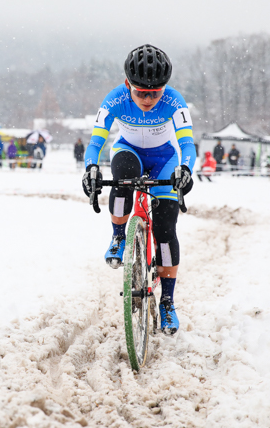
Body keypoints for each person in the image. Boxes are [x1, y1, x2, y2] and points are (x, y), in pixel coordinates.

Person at [81, 44, 195, 335]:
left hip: (164, 159)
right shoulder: (115, 99)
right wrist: (90, 167)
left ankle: (167, 300)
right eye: (141, 92)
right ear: (126, 85)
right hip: (128, 151)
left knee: (166, 228)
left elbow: (186, 145)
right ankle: (119, 236)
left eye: (155, 92)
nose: (147, 99)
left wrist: (186, 169)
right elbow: (96, 142)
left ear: (165, 88)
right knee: (121, 181)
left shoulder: (174, 101)